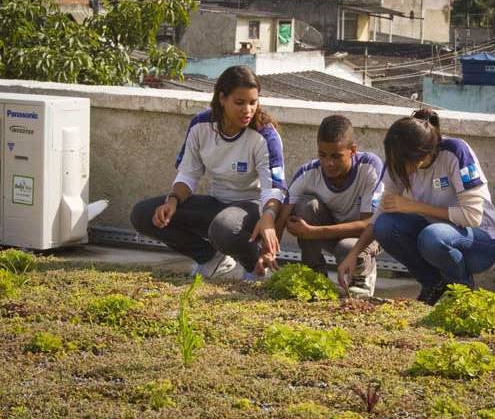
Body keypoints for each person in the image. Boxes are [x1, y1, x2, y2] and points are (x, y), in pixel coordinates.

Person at [130, 66, 286, 280]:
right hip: (216, 204)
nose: (248, 110)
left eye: (253, 102)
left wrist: (268, 218)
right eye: (239, 103)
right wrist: (173, 200)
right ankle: (211, 259)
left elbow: (274, 189)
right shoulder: (200, 125)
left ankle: (256, 267)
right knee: (143, 214)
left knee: (224, 227)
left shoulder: (265, 135)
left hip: (252, 209)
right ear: (222, 98)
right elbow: (188, 175)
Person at [338, 108, 495, 305]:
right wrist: (354, 254)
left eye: (402, 161)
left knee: (432, 237)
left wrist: (414, 206)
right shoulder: (398, 161)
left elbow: (473, 217)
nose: (395, 165)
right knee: (386, 226)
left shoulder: (456, 151)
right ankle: (433, 284)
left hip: (479, 242)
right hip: (436, 234)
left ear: (423, 155)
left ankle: (464, 291)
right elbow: (379, 215)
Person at [275, 115, 383, 297]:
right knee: (305, 205)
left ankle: (361, 278)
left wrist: (313, 232)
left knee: (347, 248)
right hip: (331, 233)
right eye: (322, 155)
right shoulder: (308, 173)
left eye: (336, 156)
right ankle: (314, 274)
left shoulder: (370, 167)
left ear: (353, 150)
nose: (328, 163)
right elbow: (282, 217)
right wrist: (268, 253)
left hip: (366, 237)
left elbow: (367, 225)